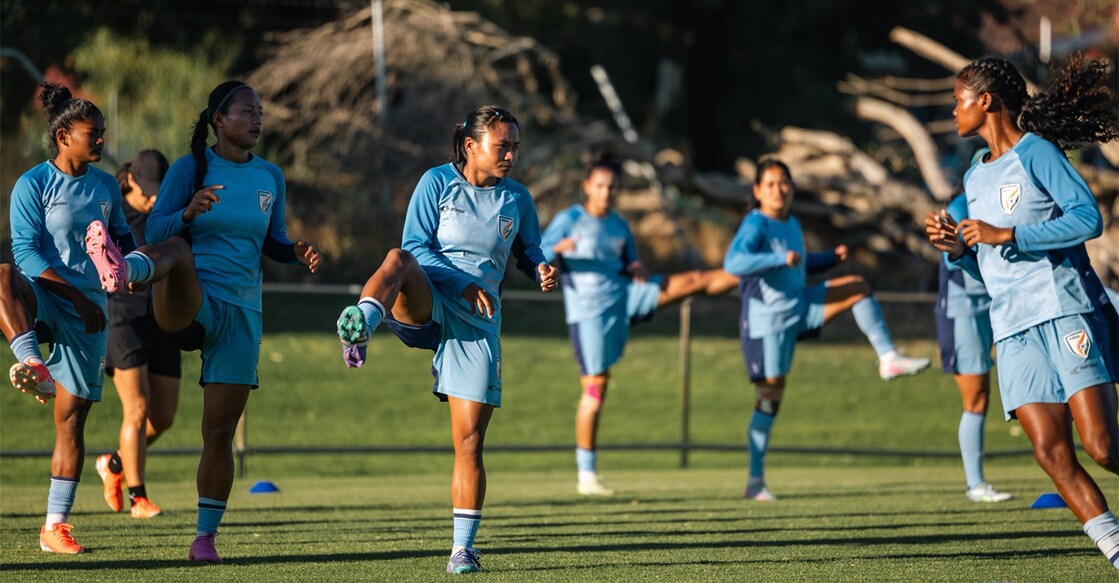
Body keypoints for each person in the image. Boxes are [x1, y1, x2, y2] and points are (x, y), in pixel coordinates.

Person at [85, 81, 320, 563]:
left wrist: (294, 252)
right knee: (173, 250)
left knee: (217, 433)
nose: (257, 119)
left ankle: (204, 539)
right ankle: (120, 269)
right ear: (219, 119)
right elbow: (152, 227)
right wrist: (188, 212)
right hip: (190, 301)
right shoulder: (190, 169)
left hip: (241, 315)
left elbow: (272, 242)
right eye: (247, 111)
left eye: (260, 112)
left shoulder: (270, 176)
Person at [334, 105, 558, 574]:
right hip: (431, 301)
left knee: (470, 442)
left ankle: (461, 550)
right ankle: (362, 323)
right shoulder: (436, 183)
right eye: (503, 146)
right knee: (397, 258)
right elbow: (416, 246)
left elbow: (528, 247)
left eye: (515, 146)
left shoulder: (517, 199)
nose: (512, 156)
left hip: (478, 323)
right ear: (472, 146)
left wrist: (540, 266)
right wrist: (460, 282)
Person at [925, 54, 1118, 570]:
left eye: (957, 100)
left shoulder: (1038, 154)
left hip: (1064, 311)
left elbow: (1087, 218)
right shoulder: (973, 176)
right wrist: (958, 251)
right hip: (1011, 330)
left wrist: (1010, 233)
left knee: (1101, 446)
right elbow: (987, 270)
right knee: (1052, 454)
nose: (953, 111)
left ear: (984, 101)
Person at [724, 158, 930, 501]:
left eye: (784, 182)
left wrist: (829, 259)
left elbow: (798, 263)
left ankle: (888, 357)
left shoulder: (790, 223)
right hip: (766, 324)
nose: (779, 189)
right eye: (771, 184)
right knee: (769, 400)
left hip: (800, 306)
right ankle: (755, 482)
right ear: (758, 191)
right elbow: (734, 263)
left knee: (856, 286)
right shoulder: (755, 224)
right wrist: (779, 260)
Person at [540, 157, 738, 496]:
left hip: (627, 295)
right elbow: (539, 254)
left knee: (693, 279)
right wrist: (556, 251)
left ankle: (749, 274)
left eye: (612, 186)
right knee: (595, 389)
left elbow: (630, 260)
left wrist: (635, 265)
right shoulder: (569, 219)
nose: (606, 192)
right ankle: (586, 476)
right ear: (588, 187)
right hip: (591, 313)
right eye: (600, 185)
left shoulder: (619, 224)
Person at [1, 82, 137, 553]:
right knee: (1, 275)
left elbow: (123, 237)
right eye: (91, 133)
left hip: (91, 314)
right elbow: (24, 252)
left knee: (71, 420)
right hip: (46, 295)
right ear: (63, 136)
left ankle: (53, 527)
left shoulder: (103, 186)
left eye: (102, 132)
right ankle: (31, 360)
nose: (100, 139)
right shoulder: (33, 184)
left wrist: (130, 268)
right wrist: (74, 299)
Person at [94, 150, 182, 520]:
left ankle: (113, 464)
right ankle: (139, 498)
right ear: (130, 180)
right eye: (148, 190)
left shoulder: (167, 218)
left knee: (162, 417)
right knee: (138, 408)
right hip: (122, 316)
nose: (154, 197)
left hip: (162, 319)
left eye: (160, 191)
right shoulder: (115, 215)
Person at [935, 149, 1012, 504]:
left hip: (993, 308)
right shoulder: (961, 206)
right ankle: (974, 484)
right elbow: (958, 260)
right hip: (963, 311)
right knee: (976, 397)